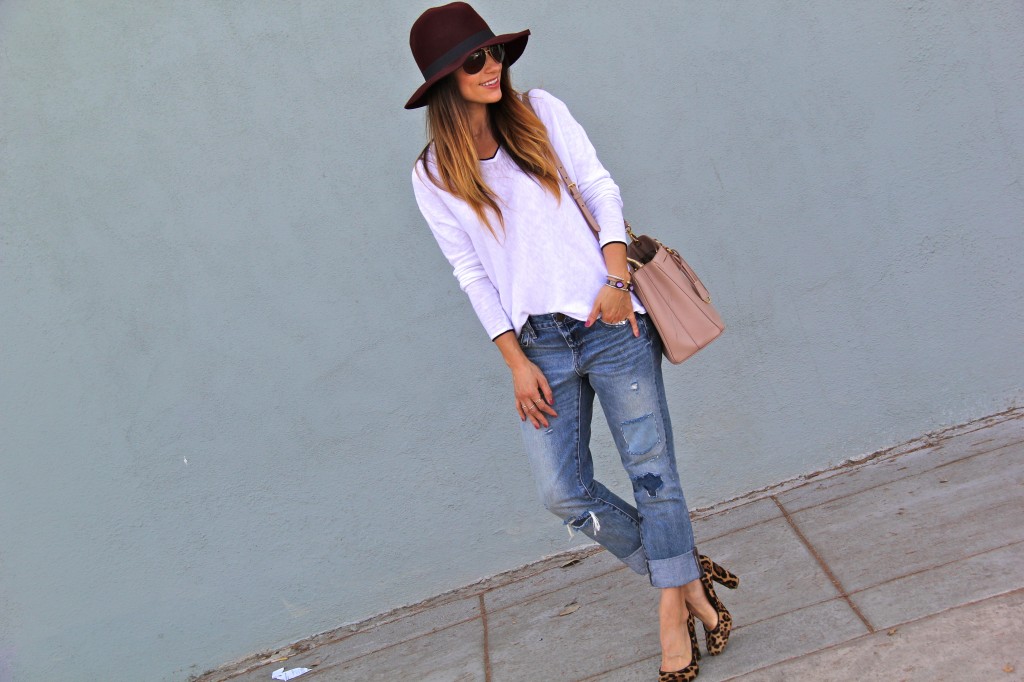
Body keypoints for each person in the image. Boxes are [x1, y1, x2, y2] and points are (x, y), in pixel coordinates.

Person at [406, 4, 738, 679]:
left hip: (612, 322)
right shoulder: (433, 175)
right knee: (561, 490)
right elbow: (470, 272)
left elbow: (598, 186)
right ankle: (682, 575)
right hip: (540, 346)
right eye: (476, 59)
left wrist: (617, 276)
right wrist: (514, 362)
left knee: (653, 474)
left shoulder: (541, 113)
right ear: (446, 79)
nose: (492, 66)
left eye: (495, 53)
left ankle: (672, 620)